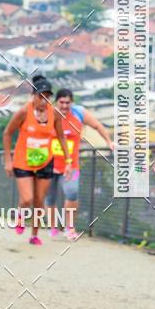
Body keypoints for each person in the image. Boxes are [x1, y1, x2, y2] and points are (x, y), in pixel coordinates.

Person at [3, 75, 71, 245]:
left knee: (39, 201)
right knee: (27, 199)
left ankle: (34, 235)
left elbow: (61, 137)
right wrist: (8, 161)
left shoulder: (54, 113)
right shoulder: (24, 112)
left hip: (45, 161)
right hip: (23, 161)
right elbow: (7, 133)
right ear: (33, 95)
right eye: (41, 96)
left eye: (48, 97)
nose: (44, 100)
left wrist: (68, 160)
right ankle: (20, 215)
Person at [46, 88, 114, 241]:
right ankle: (52, 227)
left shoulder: (79, 113)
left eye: (67, 103)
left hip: (71, 165)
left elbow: (97, 125)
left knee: (72, 193)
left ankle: (69, 227)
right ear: (56, 102)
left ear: (72, 102)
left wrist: (108, 141)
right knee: (50, 198)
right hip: (49, 164)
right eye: (61, 102)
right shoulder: (49, 113)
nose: (64, 106)